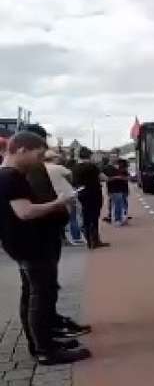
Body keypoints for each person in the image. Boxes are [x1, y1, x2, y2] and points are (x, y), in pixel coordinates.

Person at [0, 131, 91, 364]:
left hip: (20, 244)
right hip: (29, 245)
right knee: (40, 295)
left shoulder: (8, 175)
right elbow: (25, 211)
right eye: (38, 155)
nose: (40, 161)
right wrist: (58, 203)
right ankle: (45, 350)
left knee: (32, 294)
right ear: (21, 150)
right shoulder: (12, 177)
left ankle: (41, 343)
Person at [21, 125, 92, 342]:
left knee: (44, 287)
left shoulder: (34, 168)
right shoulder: (26, 171)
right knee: (37, 290)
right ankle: (43, 341)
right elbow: (34, 204)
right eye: (41, 146)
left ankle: (49, 327)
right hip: (37, 235)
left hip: (45, 233)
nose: (44, 150)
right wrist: (58, 206)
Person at [43, 150, 82, 246]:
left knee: (54, 218)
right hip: (66, 195)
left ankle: (59, 238)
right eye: (57, 158)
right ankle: (76, 237)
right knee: (72, 217)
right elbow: (70, 177)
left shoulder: (40, 168)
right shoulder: (59, 168)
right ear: (53, 158)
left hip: (51, 196)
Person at [72, 147, 109, 249]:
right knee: (94, 217)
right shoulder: (92, 166)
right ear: (89, 155)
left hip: (81, 194)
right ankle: (95, 240)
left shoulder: (75, 168)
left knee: (85, 216)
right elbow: (103, 178)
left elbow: (73, 182)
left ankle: (88, 240)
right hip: (94, 193)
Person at [106, 159, 129, 225]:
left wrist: (122, 178)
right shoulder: (108, 169)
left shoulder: (123, 169)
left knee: (122, 203)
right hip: (113, 189)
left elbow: (126, 178)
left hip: (122, 188)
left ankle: (123, 217)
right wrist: (116, 178)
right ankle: (115, 217)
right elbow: (107, 179)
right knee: (115, 203)